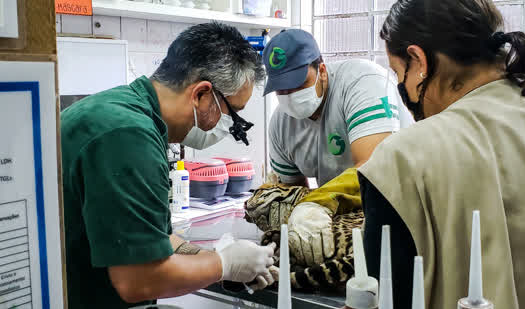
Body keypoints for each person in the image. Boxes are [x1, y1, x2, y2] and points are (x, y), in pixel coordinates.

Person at [61, 22, 276, 308]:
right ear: (201, 94)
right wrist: (223, 265)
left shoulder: (126, 113)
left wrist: (212, 259)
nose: (229, 127)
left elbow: (154, 238)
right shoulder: (128, 136)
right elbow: (139, 279)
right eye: (231, 115)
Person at [358, 0, 525, 308]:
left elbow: (389, 297)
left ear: (418, 61)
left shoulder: (400, 160)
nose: (400, 86)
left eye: (397, 72)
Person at [263, 29, 414, 187]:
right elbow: (291, 192)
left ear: (322, 71)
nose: (290, 94)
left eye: (298, 83)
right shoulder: (280, 125)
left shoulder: (363, 83)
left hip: (401, 200)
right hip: (343, 205)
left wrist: (319, 200)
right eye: (281, 88)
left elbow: (373, 170)